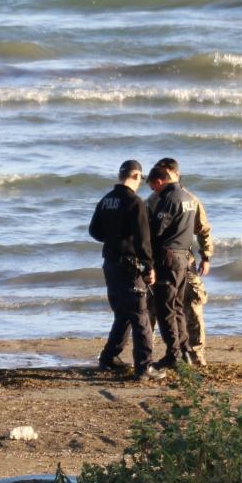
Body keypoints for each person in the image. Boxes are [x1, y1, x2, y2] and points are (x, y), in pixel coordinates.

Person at [88, 159, 165, 381]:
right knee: (140, 314)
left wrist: (112, 239)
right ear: (137, 177)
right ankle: (144, 367)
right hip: (129, 265)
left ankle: (108, 358)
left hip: (110, 262)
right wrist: (149, 267)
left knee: (122, 312)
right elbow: (144, 240)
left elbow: (94, 231)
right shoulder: (135, 202)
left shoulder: (106, 200)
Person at [147, 157, 213, 366]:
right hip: (170, 259)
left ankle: (195, 353)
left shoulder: (189, 199)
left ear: (173, 174)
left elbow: (202, 229)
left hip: (180, 259)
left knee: (191, 305)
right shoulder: (152, 200)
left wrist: (206, 255)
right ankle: (148, 352)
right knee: (154, 307)